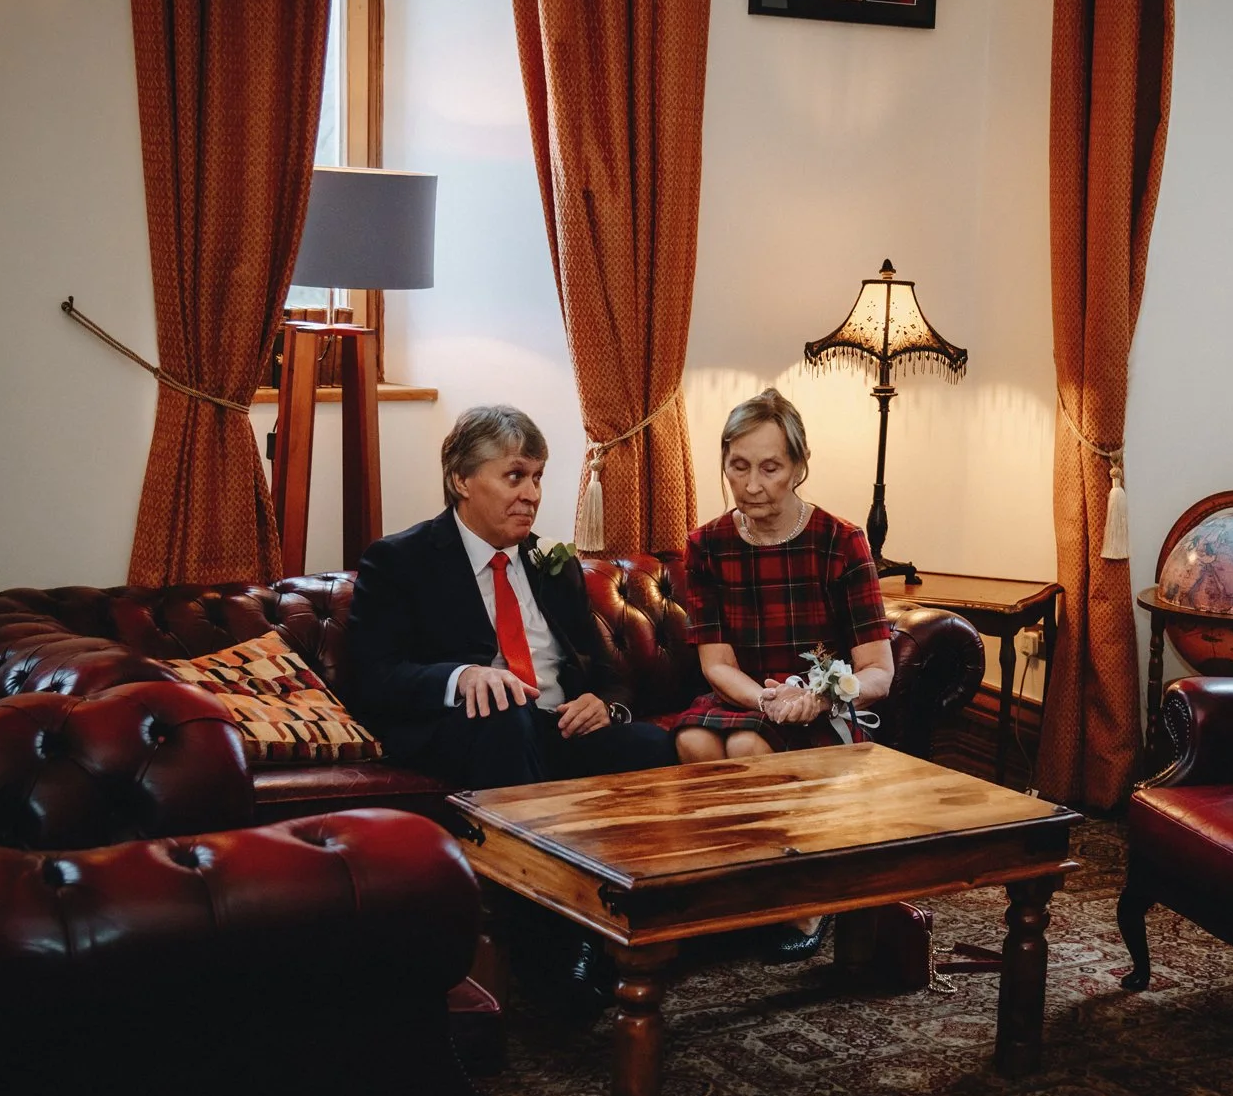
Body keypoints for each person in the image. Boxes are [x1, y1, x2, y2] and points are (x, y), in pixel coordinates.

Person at [346, 404, 676, 1007]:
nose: (531, 495)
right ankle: (548, 953)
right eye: (515, 476)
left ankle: (638, 937)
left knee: (652, 746)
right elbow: (370, 677)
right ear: (461, 480)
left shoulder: (555, 569)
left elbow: (611, 675)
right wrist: (459, 676)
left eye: (538, 477)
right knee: (505, 722)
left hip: (557, 727)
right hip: (471, 730)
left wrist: (605, 704)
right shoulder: (400, 560)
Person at [674, 388, 896, 961]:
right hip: (747, 693)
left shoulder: (842, 542)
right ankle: (738, 889)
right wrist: (768, 701)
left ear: (799, 466)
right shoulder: (707, 546)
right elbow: (715, 663)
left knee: (747, 744)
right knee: (694, 739)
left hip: (826, 703)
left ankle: (804, 900)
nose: (752, 485)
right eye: (738, 466)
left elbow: (878, 670)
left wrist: (819, 695)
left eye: (770, 468)